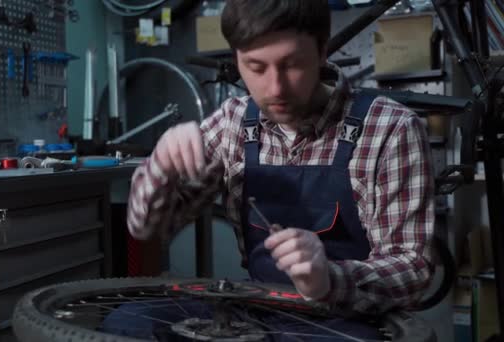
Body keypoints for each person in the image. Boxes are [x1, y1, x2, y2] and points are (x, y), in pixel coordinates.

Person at [114, 0, 436, 339]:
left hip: (346, 318)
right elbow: (149, 230)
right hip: (257, 307)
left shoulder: (390, 127)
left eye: (292, 64)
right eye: (255, 67)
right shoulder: (232, 122)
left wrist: (329, 278)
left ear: (322, 50)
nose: (275, 89)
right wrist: (160, 169)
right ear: (236, 56)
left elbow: (412, 268)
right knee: (130, 322)